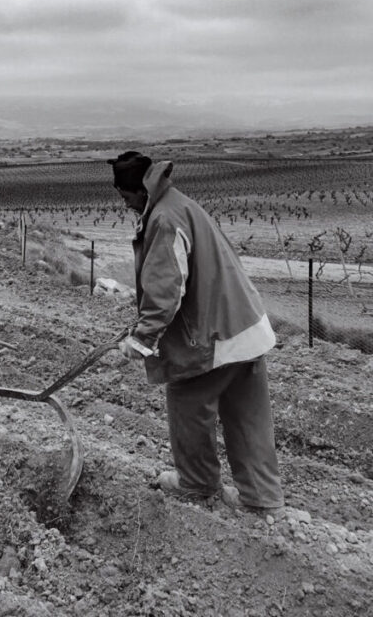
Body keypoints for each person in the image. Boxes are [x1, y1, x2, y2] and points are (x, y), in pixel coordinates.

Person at [108, 150, 285, 517]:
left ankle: (197, 483)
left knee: (188, 405)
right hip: (246, 326)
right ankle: (262, 499)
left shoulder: (164, 218)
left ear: (140, 191)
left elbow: (166, 287)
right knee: (247, 415)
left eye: (126, 199)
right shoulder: (181, 205)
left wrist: (141, 340)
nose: (126, 207)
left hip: (211, 335)